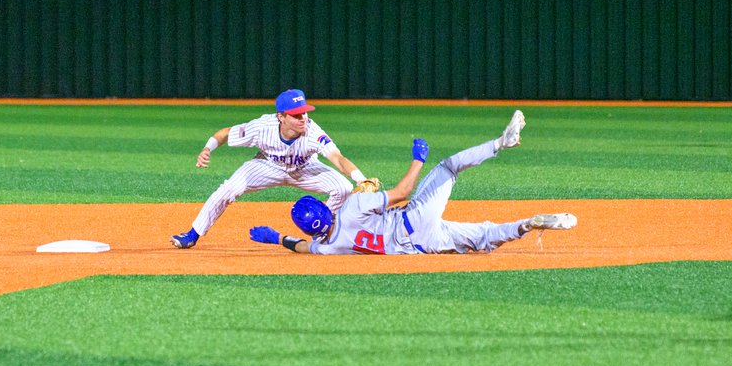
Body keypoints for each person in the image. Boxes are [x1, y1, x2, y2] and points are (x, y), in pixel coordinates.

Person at [247, 110, 577, 255]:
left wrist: (277, 238)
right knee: (449, 167)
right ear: (322, 207)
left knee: (486, 238)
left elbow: (302, 247)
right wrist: (418, 158)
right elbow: (403, 192)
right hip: (415, 217)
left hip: (421, 245)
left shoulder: (327, 247)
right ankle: (500, 143)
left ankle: (529, 225)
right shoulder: (351, 206)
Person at [171, 89, 373, 249]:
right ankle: (192, 234)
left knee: (344, 188)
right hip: (267, 165)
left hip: (305, 168)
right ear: (281, 117)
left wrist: (360, 178)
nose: (303, 118)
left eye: (304, 112)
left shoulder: (312, 131)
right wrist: (207, 148)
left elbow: (337, 158)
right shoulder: (262, 127)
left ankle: (325, 233)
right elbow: (225, 133)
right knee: (228, 189)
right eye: (295, 115)